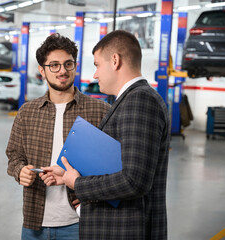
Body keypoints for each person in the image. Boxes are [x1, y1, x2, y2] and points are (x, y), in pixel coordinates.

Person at [42, 30, 170, 239]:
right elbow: (118, 165)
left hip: (127, 231)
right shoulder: (129, 100)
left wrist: (78, 183)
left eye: (97, 65)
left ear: (115, 61)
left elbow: (134, 180)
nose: (95, 74)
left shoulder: (139, 102)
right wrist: (69, 175)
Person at [6, 33, 110, 240]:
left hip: (80, 223)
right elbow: (14, 156)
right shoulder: (28, 112)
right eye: (54, 65)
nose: (62, 71)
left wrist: (91, 193)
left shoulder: (100, 111)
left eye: (68, 64)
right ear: (42, 71)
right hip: (34, 223)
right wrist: (20, 171)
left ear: (75, 66)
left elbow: (112, 166)